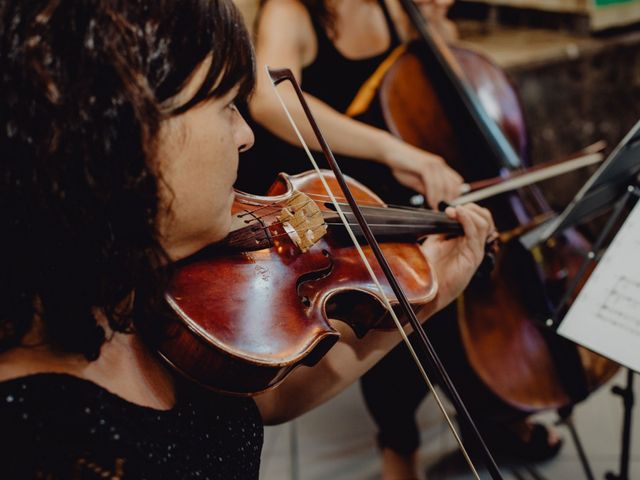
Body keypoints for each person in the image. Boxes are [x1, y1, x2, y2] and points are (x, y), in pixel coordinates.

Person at [0, 0, 495, 478]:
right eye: (225, 107)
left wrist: (429, 295)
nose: (245, 135)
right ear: (121, 134)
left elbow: (266, 398)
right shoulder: (41, 441)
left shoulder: (140, 286)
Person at [240, 0, 562, 478]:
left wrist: (435, 27)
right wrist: (396, 151)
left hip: (401, 186)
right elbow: (268, 100)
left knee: (461, 277)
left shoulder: (395, 8)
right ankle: (399, 445)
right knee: (389, 305)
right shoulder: (294, 12)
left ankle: (491, 414)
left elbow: (436, 80)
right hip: (338, 197)